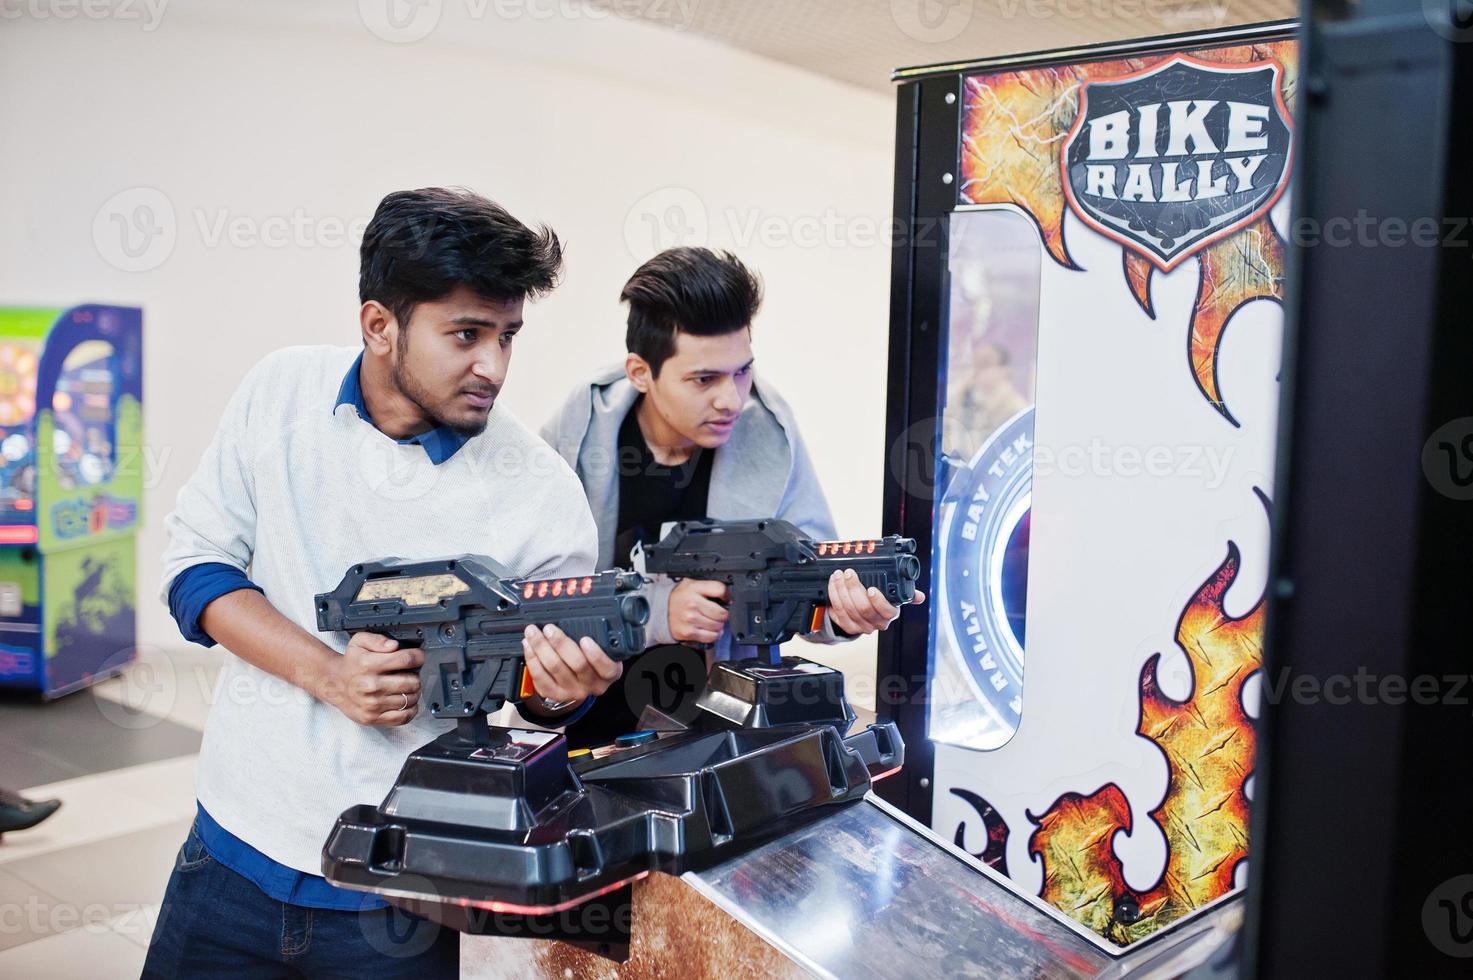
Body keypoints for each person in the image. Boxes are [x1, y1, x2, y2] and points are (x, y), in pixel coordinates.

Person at [142, 188, 621, 978]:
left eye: (507, 337)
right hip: (228, 850)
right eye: (465, 335)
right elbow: (196, 568)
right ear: (378, 324)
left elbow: (538, 695)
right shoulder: (280, 391)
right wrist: (328, 674)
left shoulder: (539, 489)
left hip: (400, 892)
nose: (492, 366)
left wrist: (565, 691)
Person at [541, 247, 922, 745]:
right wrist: (659, 610)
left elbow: (810, 584)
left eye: (742, 371)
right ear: (640, 372)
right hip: (581, 729)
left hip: (722, 736)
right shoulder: (579, 435)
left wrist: (845, 616)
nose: (731, 399)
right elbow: (536, 595)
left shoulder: (770, 433)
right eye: (704, 379)